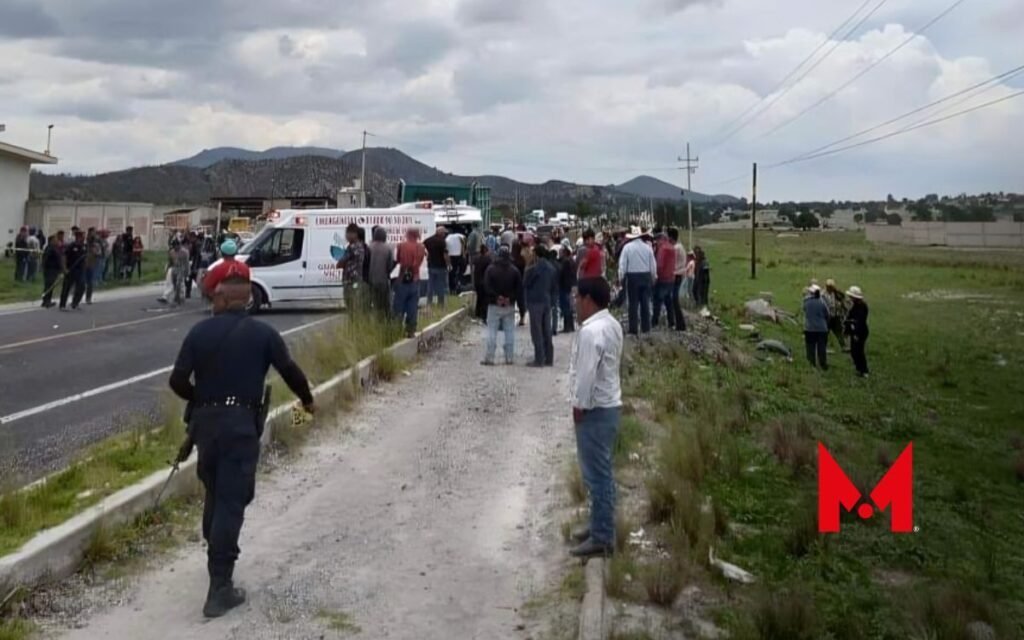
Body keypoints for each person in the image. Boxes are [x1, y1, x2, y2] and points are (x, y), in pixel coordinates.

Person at [168, 270, 315, 618]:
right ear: (247, 300)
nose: (212, 301)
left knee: (216, 493)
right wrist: (307, 402)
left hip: (205, 427)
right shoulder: (264, 334)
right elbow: (290, 371)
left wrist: (201, 397)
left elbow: (176, 380)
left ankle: (215, 550)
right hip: (240, 427)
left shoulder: (199, 332)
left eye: (214, 297)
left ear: (224, 299)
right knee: (233, 500)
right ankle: (219, 589)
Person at [569, 277, 624, 558]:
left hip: (595, 410)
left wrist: (580, 405)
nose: (575, 302)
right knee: (600, 473)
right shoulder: (612, 324)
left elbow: (587, 373)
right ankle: (598, 525)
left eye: (577, 297)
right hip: (610, 405)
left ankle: (602, 537)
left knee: (597, 476)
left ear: (588, 299)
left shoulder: (591, 332)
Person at [481, 245, 522, 366]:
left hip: (494, 305)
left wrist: (496, 297)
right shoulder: (515, 270)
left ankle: (490, 357)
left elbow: (486, 286)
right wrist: (510, 298)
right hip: (509, 305)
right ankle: (509, 357)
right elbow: (519, 289)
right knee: (509, 331)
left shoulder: (490, 269)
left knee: (492, 331)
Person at [618, 227, 657, 337]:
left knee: (633, 304)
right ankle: (646, 328)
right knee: (645, 303)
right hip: (646, 277)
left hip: (632, 277)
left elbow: (622, 265)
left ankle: (633, 329)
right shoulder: (647, 248)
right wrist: (653, 277)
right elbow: (653, 265)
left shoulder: (627, 248)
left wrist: (621, 278)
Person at [524, 246, 558, 367]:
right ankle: (549, 358)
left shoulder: (532, 269)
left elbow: (526, 284)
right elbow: (554, 288)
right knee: (546, 330)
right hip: (547, 301)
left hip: (535, 302)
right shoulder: (551, 269)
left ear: (536, 255)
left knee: (536, 331)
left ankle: (539, 359)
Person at [393, 228, 427, 338]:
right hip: (415, 280)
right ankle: (411, 331)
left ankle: (397, 330)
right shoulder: (421, 247)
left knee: (399, 307)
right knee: (412, 308)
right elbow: (420, 261)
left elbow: (398, 260)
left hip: (402, 279)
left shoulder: (401, 246)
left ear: (408, 234)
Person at [335, 223, 366, 313]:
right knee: (356, 306)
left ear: (354, 234)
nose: (346, 236)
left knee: (352, 306)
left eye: (347, 233)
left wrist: (341, 263)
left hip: (351, 281)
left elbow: (340, 263)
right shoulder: (361, 245)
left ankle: (355, 324)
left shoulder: (352, 247)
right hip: (357, 280)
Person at [367, 226, 394, 318]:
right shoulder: (387, 248)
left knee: (375, 302)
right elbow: (390, 266)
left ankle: (377, 320)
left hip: (370, 280)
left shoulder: (368, 247)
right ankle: (385, 322)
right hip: (383, 280)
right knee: (385, 304)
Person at [652, 232, 677, 330]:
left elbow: (660, 264)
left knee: (657, 301)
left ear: (661, 239)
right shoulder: (672, 247)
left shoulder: (663, 249)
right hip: (670, 278)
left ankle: (654, 321)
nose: (657, 242)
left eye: (657, 240)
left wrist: (656, 276)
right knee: (668, 302)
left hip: (662, 279)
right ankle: (671, 322)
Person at [844, 286, 870, 377]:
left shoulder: (862, 307)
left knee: (859, 351)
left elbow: (860, 321)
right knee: (854, 351)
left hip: (860, 332)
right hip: (855, 331)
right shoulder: (855, 305)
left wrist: (856, 333)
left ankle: (864, 370)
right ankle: (859, 369)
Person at [60, 229, 88, 310]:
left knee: (82, 287)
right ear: (78, 237)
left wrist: (86, 265)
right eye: (82, 236)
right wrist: (64, 268)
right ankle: (62, 305)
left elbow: (85, 258)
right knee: (66, 287)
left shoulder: (84, 246)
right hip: (71, 269)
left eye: (83, 236)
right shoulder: (71, 246)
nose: (83, 238)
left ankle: (75, 303)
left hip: (81, 270)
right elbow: (64, 257)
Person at [803, 284, 830, 370]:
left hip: (809, 328)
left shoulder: (806, 302)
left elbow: (804, 310)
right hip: (822, 329)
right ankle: (823, 364)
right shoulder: (822, 302)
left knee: (810, 348)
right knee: (822, 348)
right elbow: (827, 314)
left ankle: (811, 364)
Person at [424, 226, 449, 307]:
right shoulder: (442, 242)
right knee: (440, 285)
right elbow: (445, 255)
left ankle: (429, 302)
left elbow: (422, 247)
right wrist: (448, 264)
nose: (444, 234)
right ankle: (440, 303)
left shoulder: (428, 240)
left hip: (431, 266)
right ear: (440, 233)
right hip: (441, 266)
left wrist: (427, 255)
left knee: (430, 285)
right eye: (444, 233)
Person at [822, 279, 848, 352]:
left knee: (838, 331)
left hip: (835, 316)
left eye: (832, 287)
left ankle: (843, 346)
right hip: (827, 316)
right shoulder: (823, 294)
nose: (830, 288)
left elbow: (843, 297)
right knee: (825, 332)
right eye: (829, 287)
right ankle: (825, 347)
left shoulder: (836, 293)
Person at [669, 228, 686, 330]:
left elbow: (672, 263)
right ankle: (679, 323)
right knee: (674, 300)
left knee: (674, 300)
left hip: (676, 275)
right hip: (679, 274)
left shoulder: (675, 248)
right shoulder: (680, 247)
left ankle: (680, 324)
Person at [41, 232, 64, 308]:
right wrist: (44, 267)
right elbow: (46, 259)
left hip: (54, 270)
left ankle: (48, 300)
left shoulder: (54, 248)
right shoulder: (50, 249)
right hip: (50, 270)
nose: (57, 241)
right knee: (49, 285)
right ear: (51, 241)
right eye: (55, 240)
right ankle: (46, 301)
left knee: (51, 285)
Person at [472, 243, 493, 323]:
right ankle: (484, 315)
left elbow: (474, 270)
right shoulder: (488, 259)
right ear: (486, 251)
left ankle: (477, 313)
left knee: (479, 298)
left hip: (477, 281)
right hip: (484, 281)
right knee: (485, 299)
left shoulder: (476, 258)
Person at [558, 245, 577, 333]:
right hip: (570, 285)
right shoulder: (572, 260)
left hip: (564, 287)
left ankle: (567, 327)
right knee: (569, 306)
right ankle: (571, 326)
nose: (559, 254)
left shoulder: (565, 262)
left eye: (560, 252)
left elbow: (562, 274)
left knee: (565, 307)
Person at [445, 226, 467, 294]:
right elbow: (464, 246)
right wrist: (464, 255)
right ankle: (459, 285)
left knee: (452, 273)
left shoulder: (447, 238)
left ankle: (452, 288)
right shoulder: (462, 236)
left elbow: (446, 249)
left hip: (451, 256)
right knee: (461, 272)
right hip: (459, 256)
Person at [691, 245, 710, 310]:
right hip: (697, 279)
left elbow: (706, 272)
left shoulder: (704, 261)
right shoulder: (697, 261)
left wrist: (704, 281)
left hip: (703, 281)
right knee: (694, 291)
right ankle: (698, 304)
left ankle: (703, 306)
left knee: (703, 294)